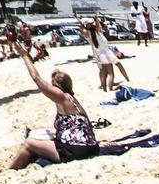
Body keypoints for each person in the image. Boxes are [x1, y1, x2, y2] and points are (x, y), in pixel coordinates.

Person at [7, 31, 99, 169]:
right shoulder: (72, 100)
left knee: (29, 143)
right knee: (38, 133)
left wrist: (25, 56)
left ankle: (10, 171)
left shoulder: (61, 97)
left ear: (58, 87)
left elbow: (36, 79)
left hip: (76, 151)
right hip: (90, 146)